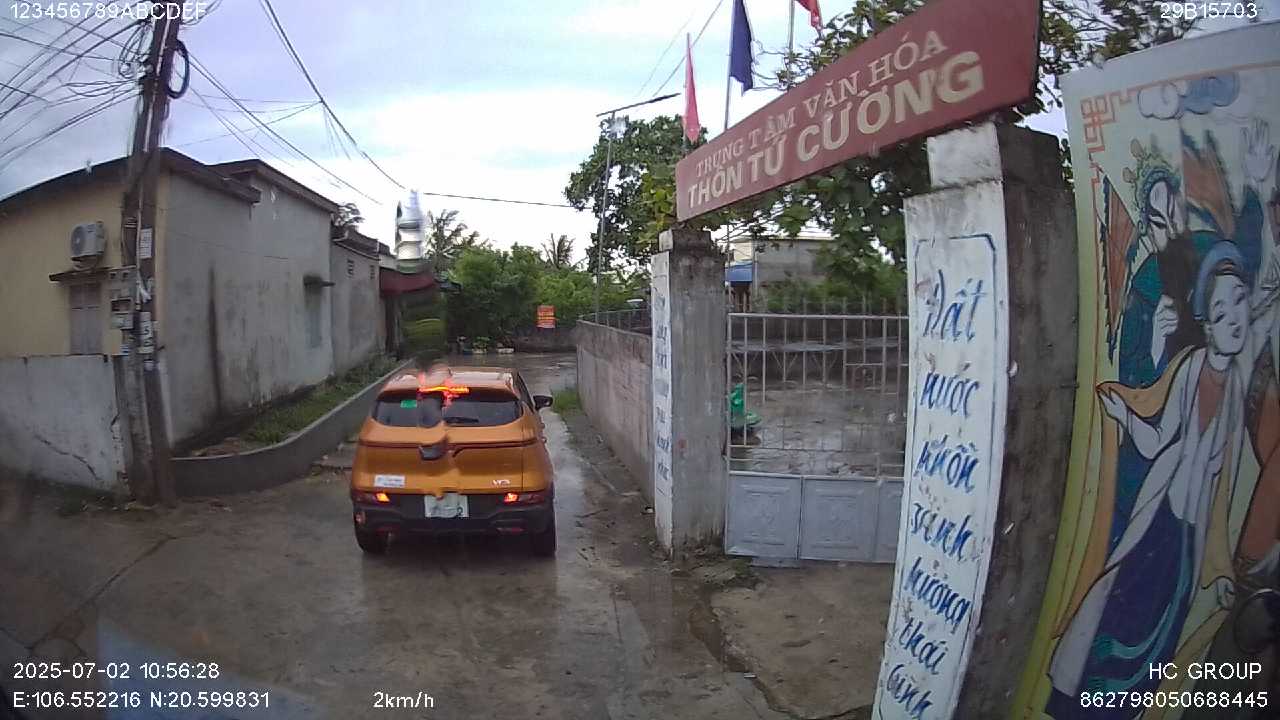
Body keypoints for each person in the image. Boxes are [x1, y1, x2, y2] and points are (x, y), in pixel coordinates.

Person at [1046, 241, 1279, 718]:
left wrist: (1217, 565)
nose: (1234, 318)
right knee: (1121, 625)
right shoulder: (1191, 369)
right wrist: (1124, 416)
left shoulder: (1236, 386)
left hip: (1189, 547)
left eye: (1240, 302)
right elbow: (1155, 444)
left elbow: (1225, 487)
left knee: (1161, 644)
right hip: (1159, 527)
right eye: (1221, 311)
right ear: (1207, 325)